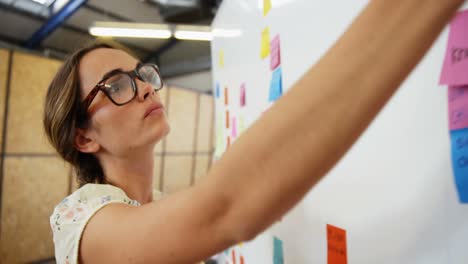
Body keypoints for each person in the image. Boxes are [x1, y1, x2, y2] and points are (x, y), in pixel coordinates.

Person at [44, 0, 465, 263]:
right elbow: (227, 207)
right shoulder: (79, 220)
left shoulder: (154, 203)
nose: (143, 88)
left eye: (141, 74)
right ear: (84, 138)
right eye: (117, 85)